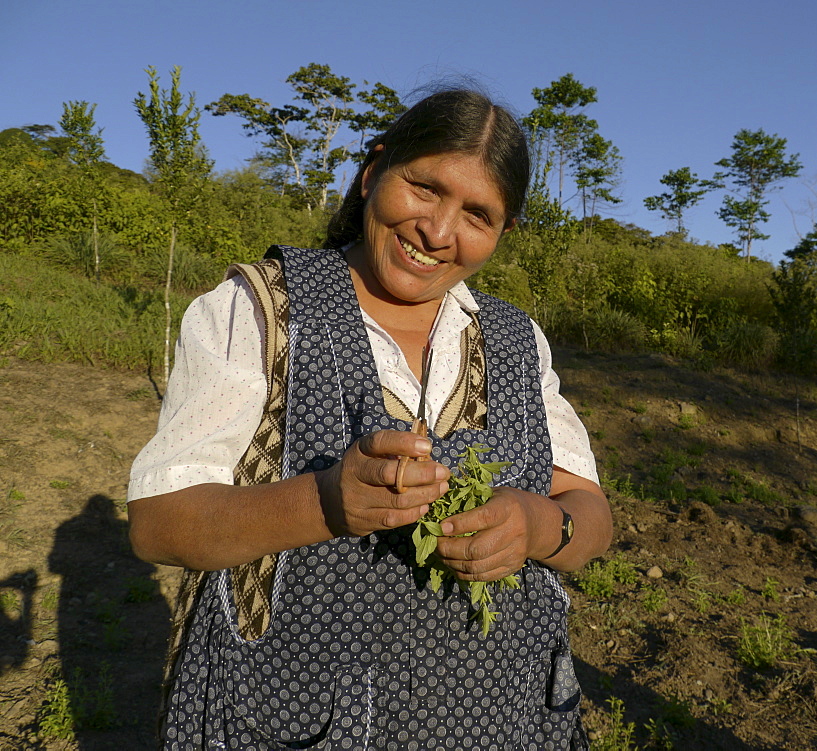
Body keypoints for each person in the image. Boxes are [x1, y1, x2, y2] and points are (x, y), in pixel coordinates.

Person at [128, 88, 613, 750]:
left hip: (507, 723)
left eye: (477, 214)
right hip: (286, 723)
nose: (438, 231)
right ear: (372, 171)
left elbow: (589, 514)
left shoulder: (515, 339)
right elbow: (158, 524)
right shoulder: (260, 311)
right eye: (423, 188)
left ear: (504, 232)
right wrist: (325, 500)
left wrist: (533, 525)